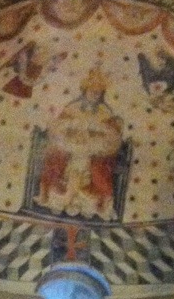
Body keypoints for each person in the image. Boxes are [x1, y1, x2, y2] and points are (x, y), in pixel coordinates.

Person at [35, 67, 124, 219]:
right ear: (85, 90)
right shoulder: (72, 107)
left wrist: (97, 132)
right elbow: (58, 127)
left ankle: (94, 202)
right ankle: (53, 196)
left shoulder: (105, 111)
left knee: (98, 166)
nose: (94, 94)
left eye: (98, 92)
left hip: (92, 149)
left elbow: (112, 136)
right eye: (92, 90)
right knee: (56, 157)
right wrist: (73, 128)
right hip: (71, 146)